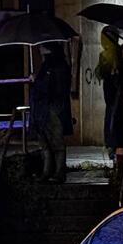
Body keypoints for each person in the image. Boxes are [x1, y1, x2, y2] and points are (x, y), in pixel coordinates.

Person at [29, 39, 73, 183]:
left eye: (42, 46)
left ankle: (58, 172)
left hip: (52, 109)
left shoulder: (55, 65)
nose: (39, 48)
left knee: (55, 142)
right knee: (46, 143)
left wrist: (37, 81)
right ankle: (47, 172)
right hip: (45, 109)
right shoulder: (49, 64)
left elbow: (52, 88)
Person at [94, 26, 123, 162]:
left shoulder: (110, 54)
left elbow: (100, 74)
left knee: (114, 122)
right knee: (114, 121)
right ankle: (115, 151)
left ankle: (114, 150)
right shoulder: (118, 53)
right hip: (114, 95)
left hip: (115, 95)